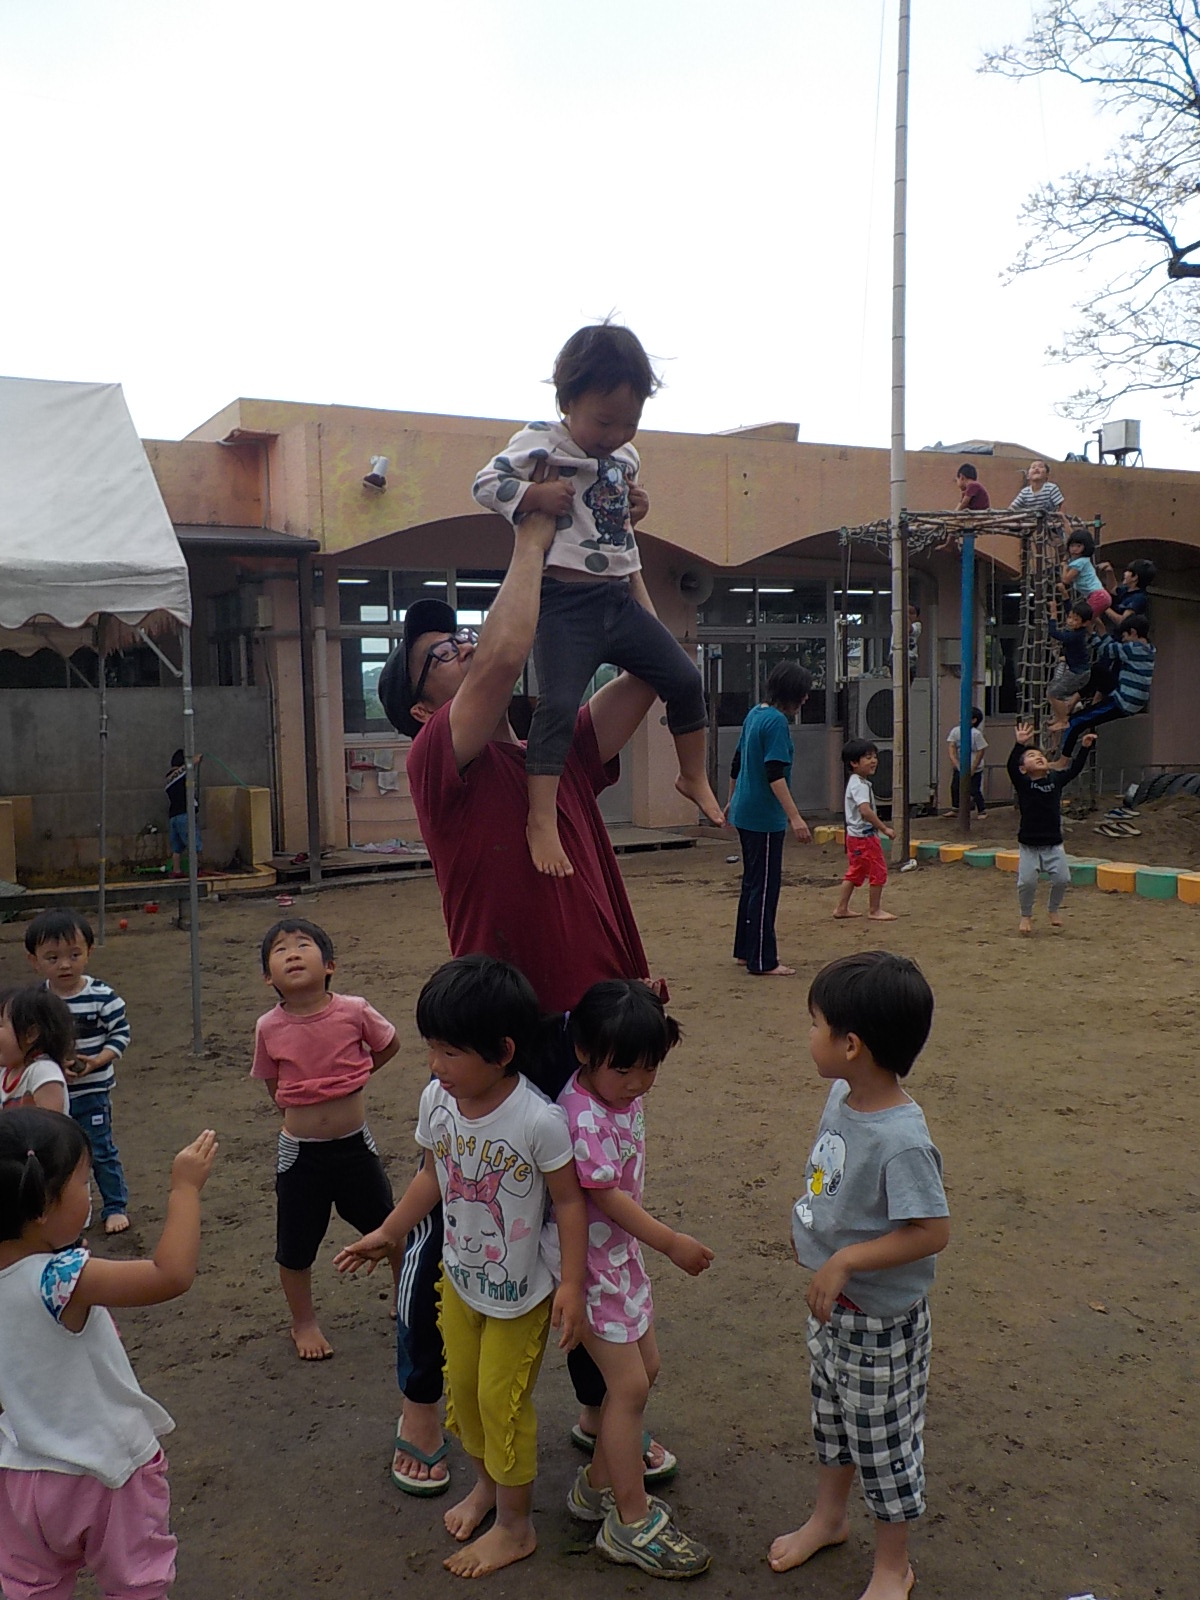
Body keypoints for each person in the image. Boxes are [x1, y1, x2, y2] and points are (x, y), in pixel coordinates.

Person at [376, 499, 679, 1495]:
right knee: (459, 1214)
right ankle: (423, 1402)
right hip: (501, 1036)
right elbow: (506, 657)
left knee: (587, 1213)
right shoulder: (441, 760)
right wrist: (533, 535)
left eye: (458, 637)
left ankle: (601, 1408)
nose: (462, 648)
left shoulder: (558, 752)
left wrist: (620, 554)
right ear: (419, 706)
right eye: (437, 655)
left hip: (593, 1029)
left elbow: (654, 670)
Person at [335, 956, 588, 1580]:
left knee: (502, 1404)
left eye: (449, 1052)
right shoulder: (438, 1101)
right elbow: (432, 1175)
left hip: (519, 1296)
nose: (435, 1065)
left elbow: (569, 1203)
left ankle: (516, 1526)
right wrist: (390, 1232)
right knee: (467, 1398)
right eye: (431, 1048)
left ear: (503, 1051)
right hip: (459, 1282)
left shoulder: (539, 1120)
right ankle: (487, 1487)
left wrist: (573, 1283)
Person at [472, 322, 723, 877]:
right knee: (558, 706)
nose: (615, 434)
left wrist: (638, 504)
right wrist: (534, 494)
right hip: (565, 604)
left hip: (619, 599)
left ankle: (692, 774)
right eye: (603, 421)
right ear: (567, 403)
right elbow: (486, 484)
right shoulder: (541, 440)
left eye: (629, 422)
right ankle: (541, 817)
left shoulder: (626, 455)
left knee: (685, 678)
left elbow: (617, 510)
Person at [769, 952, 949, 1599]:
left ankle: (893, 1565)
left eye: (815, 1023)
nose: (808, 1034)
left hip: (880, 1324)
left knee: (883, 1443)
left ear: (851, 1045)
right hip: (834, 1312)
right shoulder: (842, 1095)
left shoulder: (903, 1139)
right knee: (833, 1423)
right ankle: (830, 1518)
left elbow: (931, 1231)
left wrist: (845, 1259)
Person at [0, 1110, 217, 1600]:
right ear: (42, 1207)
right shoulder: (58, 1279)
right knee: (136, 1585)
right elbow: (170, 1275)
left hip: (19, 1474)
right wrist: (184, 1189)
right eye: (83, 1182)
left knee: (31, 1587)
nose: (91, 1193)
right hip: (105, 1472)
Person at [559, 980, 712, 1577]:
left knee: (644, 1371)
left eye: (649, 1068)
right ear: (583, 1052)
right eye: (624, 1069)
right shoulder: (583, 1115)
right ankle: (629, 1519)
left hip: (617, 1258)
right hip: (590, 1266)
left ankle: (597, 1486)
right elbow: (604, 1195)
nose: (638, 1082)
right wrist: (670, 1242)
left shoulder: (615, 1097)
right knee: (627, 1389)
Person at [251, 916, 400, 1361]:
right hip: (300, 1155)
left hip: (355, 1146)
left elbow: (389, 1044)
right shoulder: (268, 1026)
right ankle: (304, 1321)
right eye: (279, 950)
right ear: (268, 977)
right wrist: (296, 1109)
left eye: (303, 945)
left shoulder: (354, 1010)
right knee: (295, 1245)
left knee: (390, 1227)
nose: (292, 954)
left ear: (330, 964)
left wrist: (357, 1075)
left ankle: (404, 1294)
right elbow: (272, 1080)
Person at [24, 908, 132, 1235]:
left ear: (89, 952)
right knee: (54, 1154)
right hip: (52, 1095)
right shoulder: (36, 1002)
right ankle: (61, 1211)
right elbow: (29, 1041)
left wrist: (97, 1060)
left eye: (74, 954)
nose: (65, 965)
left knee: (99, 1150)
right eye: (53, 957)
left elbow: (121, 1034)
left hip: (92, 1092)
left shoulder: (102, 996)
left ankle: (115, 1205)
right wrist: (53, 1063)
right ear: (34, 960)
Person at [726, 661, 813, 977]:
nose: (805, 699)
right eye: (803, 693)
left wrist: (731, 800)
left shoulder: (755, 713)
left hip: (745, 810)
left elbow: (737, 762)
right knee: (764, 887)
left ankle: (745, 950)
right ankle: (763, 960)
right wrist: (796, 818)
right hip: (763, 816)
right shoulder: (776, 722)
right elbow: (774, 772)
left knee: (752, 883)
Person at [1008, 722, 1096, 935]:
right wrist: (1019, 745)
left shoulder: (1055, 779)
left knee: (1062, 879)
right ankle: (1026, 915)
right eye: (1031, 756)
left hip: (1054, 844)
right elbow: (1010, 767)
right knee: (1027, 882)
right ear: (1023, 768)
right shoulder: (1023, 783)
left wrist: (1084, 748)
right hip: (1029, 845)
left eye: (1041, 756)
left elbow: (1074, 770)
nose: (1038, 757)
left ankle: (1053, 909)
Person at [1060, 614, 1155, 757]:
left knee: (1075, 721)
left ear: (1133, 632)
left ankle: (1063, 760)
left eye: (1125, 636)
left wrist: (1091, 632)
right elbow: (1111, 646)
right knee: (1098, 671)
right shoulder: (1149, 649)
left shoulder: (1132, 649)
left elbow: (1105, 650)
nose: (1123, 640)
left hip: (1124, 700)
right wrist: (1100, 625)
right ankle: (1074, 700)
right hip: (1129, 695)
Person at [834, 741, 896, 922]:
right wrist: (884, 828)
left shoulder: (856, 782)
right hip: (864, 837)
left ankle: (841, 908)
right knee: (878, 870)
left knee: (856, 871)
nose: (874, 761)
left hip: (854, 837)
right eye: (868, 757)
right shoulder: (860, 785)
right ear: (854, 763)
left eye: (874, 757)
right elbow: (865, 811)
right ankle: (875, 910)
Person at [0, 985, 72, 1115]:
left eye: (0, 1025)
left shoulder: (42, 1071)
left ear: (31, 1034)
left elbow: (51, 1123)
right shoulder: (5, 1073)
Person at [1046, 603, 1096, 730]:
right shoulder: (1075, 630)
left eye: (1075, 620)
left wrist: (1053, 614)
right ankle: (1059, 716)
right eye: (1069, 617)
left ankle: (1064, 720)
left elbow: (1054, 633)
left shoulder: (1075, 636)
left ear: (1084, 623)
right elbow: (1069, 609)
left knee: (1054, 693)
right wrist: (1065, 597)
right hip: (1076, 671)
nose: (1070, 621)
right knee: (1051, 690)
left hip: (1079, 674)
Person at [164, 749, 202, 877]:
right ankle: (196, 871)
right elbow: (190, 764)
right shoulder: (180, 773)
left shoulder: (168, 779)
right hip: (184, 815)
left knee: (177, 848)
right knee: (194, 845)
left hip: (173, 817)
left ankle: (176, 871)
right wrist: (197, 758)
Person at [1061, 529, 1111, 618]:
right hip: (1101, 595)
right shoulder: (1080, 560)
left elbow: (1066, 580)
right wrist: (1064, 521)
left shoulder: (1080, 562)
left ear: (1085, 547)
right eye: (1072, 546)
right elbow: (1070, 535)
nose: (1074, 549)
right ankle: (1101, 628)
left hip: (1097, 596)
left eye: (1078, 546)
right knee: (1091, 618)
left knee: (1081, 619)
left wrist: (1064, 566)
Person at [945, 709, 988, 816]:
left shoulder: (976, 733)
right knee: (955, 787)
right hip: (960, 766)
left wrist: (973, 767)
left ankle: (982, 810)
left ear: (974, 720)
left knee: (974, 789)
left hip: (975, 767)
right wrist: (955, 762)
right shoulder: (956, 730)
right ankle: (955, 809)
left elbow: (981, 750)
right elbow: (951, 746)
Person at [1008, 458, 1065, 527]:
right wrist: (1011, 516)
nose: (1037, 468)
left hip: (1050, 523)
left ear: (1047, 475)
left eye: (1041, 466)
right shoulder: (1024, 492)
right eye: (1033, 467)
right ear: (1028, 476)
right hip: (1030, 523)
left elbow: (1061, 504)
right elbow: (1013, 507)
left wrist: (1061, 519)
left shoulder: (1051, 488)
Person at [906, 605, 922, 678]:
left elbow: (909, 629)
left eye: (912, 613)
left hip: (910, 657)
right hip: (894, 655)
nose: (909, 615)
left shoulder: (917, 625)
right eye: (907, 612)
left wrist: (905, 616)